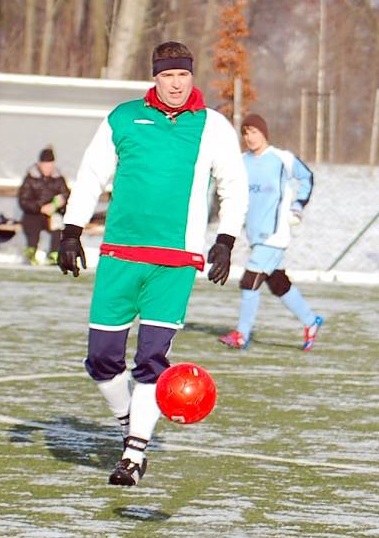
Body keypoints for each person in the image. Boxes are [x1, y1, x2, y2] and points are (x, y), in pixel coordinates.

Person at [58, 41, 248, 487]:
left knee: (151, 360)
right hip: (120, 255)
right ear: (155, 77)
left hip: (175, 261)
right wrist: (71, 230)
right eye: (168, 76)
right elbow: (91, 175)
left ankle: (134, 453)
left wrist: (225, 240)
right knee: (102, 358)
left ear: (192, 77)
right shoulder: (123, 117)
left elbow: (233, 185)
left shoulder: (213, 126)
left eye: (183, 75)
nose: (176, 84)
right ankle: (130, 422)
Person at [218, 113, 322, 352]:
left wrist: (298, 206)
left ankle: (242, 335)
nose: (250, 137)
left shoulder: (281, 159)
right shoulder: (241, 161)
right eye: (245, 133)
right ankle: (310, 321)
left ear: (264, 133)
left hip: (275, 234)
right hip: (254, 235)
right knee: (278, 283)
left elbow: (307, 177)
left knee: (249, 281)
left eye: (254, 132)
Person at [17, 146, 69, 264]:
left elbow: (66, 195)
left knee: (58, 224)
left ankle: (54, 254)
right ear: (40, 164)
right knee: (31, 223)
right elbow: (24, 201)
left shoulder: (59, 179)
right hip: (34, 213)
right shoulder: (30, 178)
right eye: (45, 165)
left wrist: (58, 204)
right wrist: (40, 207)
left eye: (50, 166)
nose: (48, 169)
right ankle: (31, 251)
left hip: (52, 214)